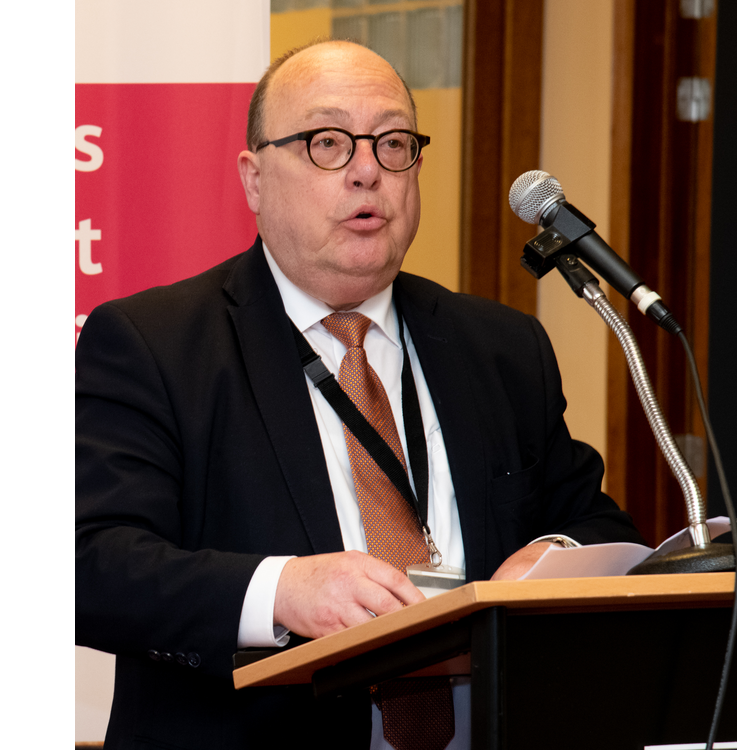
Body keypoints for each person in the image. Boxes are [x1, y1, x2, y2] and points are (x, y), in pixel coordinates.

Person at [75, 40, 645, 749]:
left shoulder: (499, 347)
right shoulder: (154, 343)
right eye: (328, 142)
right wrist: (282, 591)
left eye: (394, 143)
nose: (368, 170)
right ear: (254, 178)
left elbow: (601, 527)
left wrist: (553, 553)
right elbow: (94, 563)